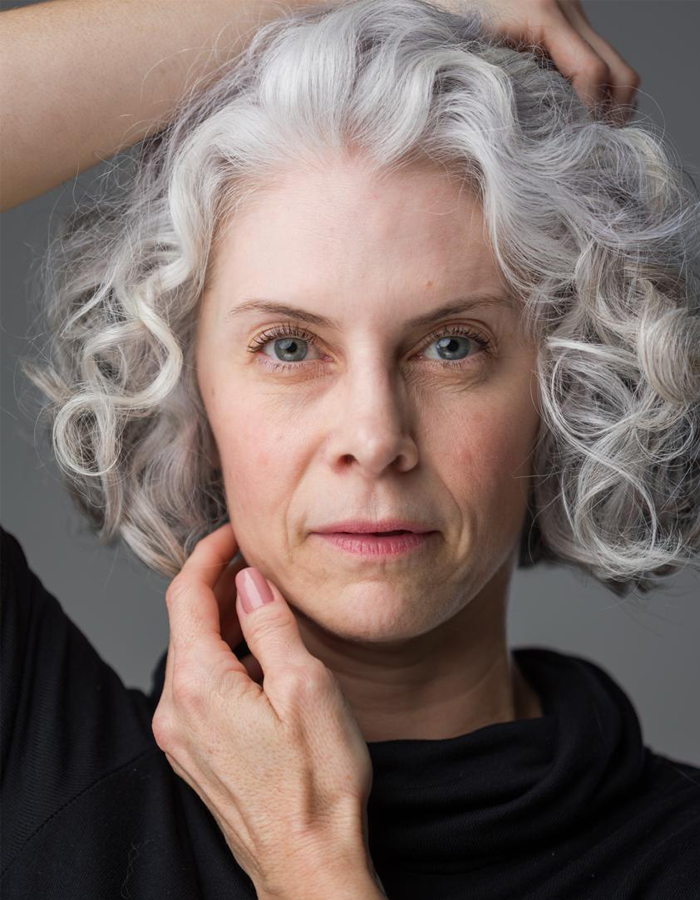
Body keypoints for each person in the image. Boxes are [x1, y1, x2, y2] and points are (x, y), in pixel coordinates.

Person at [2, 1, 698, 899]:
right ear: (184, 389)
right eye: (290, 346)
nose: (374, 439)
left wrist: (308, 861)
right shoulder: (38, 770)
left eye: (452, 345)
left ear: (564, 386)